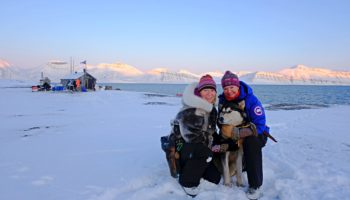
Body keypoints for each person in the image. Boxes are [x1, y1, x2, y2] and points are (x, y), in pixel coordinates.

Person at [161, 75, 237, 197]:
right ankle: (187, 182)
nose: (210, 94)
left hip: (199, 149)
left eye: (212, 90)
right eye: (205, 90)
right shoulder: (191, 111)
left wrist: (225, 143)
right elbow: (191, 138)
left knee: (215, 178)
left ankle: (195, 167)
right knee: (205, 152)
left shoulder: (211, 110)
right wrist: (215, 149)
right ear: (199, 92)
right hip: (182, 148)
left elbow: (211, 133)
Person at [218, 71, 270, 200]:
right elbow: (221, 120)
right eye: (225, 88)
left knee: (250, 143)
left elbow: (260, 124)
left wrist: (243, 132)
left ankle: (255, 185)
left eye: (231, 87)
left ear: (237, 86)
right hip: (231, 133)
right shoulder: (222, 100)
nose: (229, 91)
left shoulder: (251, 100)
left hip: (256, 133)